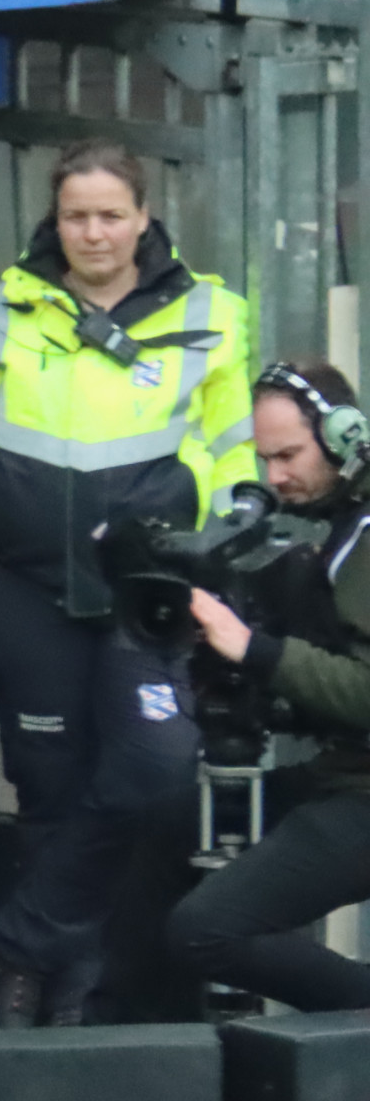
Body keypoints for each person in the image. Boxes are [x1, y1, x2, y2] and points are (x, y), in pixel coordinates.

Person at [0, 138, 255, 1027]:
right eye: (76, 216)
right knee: (50, 787)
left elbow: (230, 450)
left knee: (155, 772)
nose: (93, 232)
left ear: (144, 217)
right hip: (21, 585)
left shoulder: (214, 311)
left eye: (110, 214)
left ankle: (22, 940)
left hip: (148, 590)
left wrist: (205, 547)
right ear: (52, 219)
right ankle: (58, 993)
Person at [166, 362, 370, 1007]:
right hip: (343, 772)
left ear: (344, 437)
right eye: (265, 458)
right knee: (162, 833)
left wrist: (252, 648)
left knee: (206, 933)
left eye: (289, 455)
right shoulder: (342, 535)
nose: (275, 477)